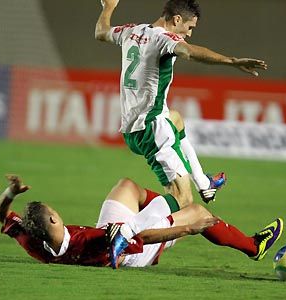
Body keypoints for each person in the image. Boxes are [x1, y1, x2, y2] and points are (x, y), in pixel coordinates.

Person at [95, 0, 267, 207]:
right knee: (182, 201)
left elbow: (101, 32)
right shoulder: (164, 39)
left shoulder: (131, 31)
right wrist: (231, 61)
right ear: (176, 19)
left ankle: (204, 183)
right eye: (189, 27)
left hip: (131, 128)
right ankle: (130, 231)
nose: (190, 33)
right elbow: (189, 52)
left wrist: (109, 7)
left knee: (175, 118)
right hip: (152, 130)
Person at [0, 175, 283, 269]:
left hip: (112, 231)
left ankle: (179, 200)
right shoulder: (90, 242)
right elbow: (140, 238)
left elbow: (0, 215)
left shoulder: (34, 239)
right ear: (55, 218)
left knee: (127, 186)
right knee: (199, 213)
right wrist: (186, 229)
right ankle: (253, 247)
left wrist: (10, 194)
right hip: (132, 250)